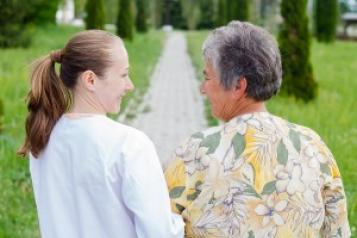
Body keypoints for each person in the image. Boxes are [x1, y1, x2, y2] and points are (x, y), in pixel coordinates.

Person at [165, 21, 351, 237]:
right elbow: (337, 232)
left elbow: (157, 225)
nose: (202, 88)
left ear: (238, 86)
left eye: (207, 77)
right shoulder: (314, 146)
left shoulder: (196, 151)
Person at [18, 30, 184, 238]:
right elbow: (160, 233)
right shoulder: (129, 145)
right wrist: (182, 220)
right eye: (123, 75)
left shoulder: (42, 140)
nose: (130, 85)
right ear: (90, 80)